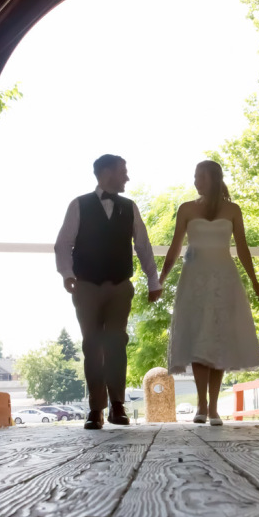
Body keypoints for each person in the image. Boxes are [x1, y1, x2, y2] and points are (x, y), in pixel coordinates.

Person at [54, 154, 163, 430]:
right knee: (92, 345)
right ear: (106, 172)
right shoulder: (78, 205)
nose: (126, 177)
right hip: (86, 286)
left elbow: (143, 245)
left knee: (116, 343)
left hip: (119, 287)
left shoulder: (130, 207)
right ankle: (95, 409)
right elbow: (63, 243)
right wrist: (67, 274)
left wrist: (153, 280)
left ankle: (117, 405)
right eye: (122, 171)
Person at [157, 160, 259, 425]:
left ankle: (215, 407)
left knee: (218, 339)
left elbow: (242, 248)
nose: (196, 181)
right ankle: (201, 406)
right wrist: (159, 280)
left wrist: (254, 280)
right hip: (194, 280)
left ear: (214, 179)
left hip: (224, 280)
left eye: (200, 177)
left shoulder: (233, 210)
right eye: (195, 177)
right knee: (198, 339)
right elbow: (174, 249)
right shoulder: (186, 209)